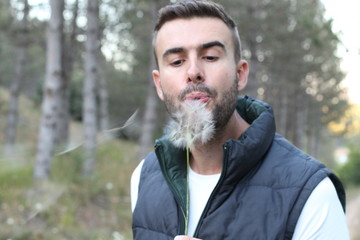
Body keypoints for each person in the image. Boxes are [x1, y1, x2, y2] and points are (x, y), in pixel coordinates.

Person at [131, 0, 349, 239]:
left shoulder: (311, 194)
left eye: (211, 57)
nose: (193, 72)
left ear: (240, 73)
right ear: (159, 84)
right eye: (176, 61)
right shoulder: (144, 177)